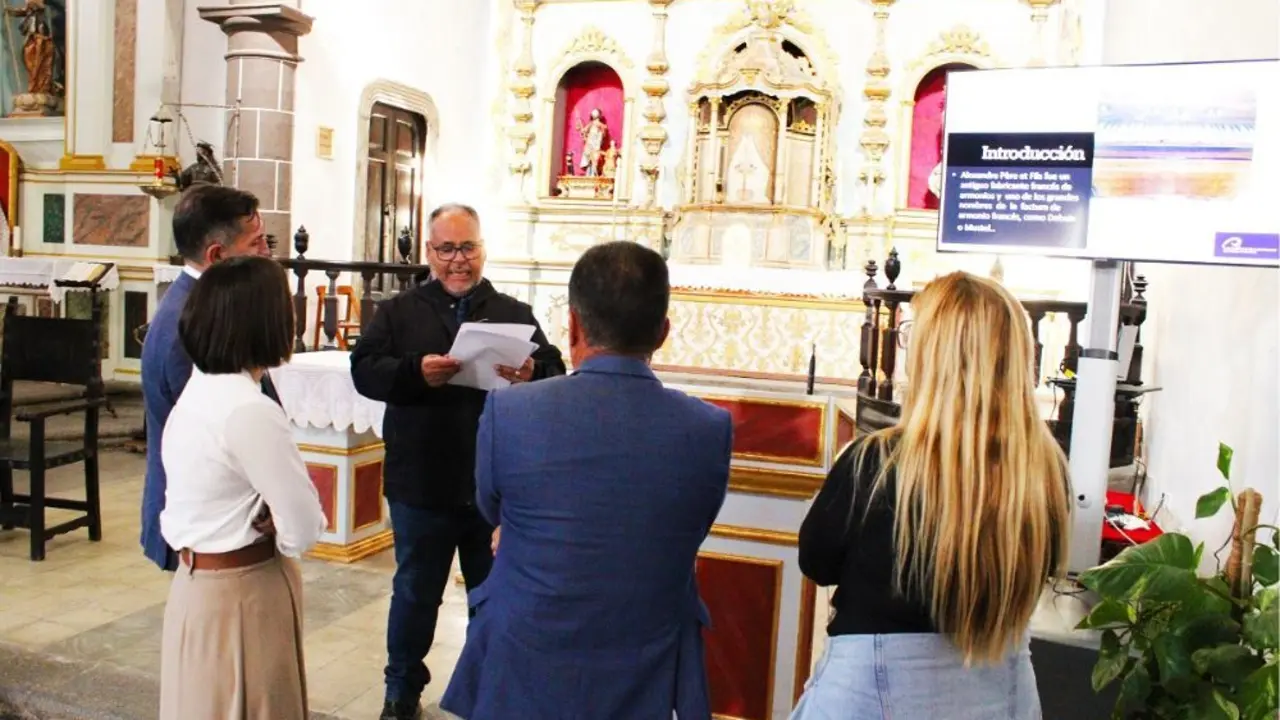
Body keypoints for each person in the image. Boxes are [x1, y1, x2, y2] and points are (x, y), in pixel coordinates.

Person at [441, 241, 733, 720]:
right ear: (663, 332)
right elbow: (691, 525)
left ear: (572, 324)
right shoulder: (707, 428)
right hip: (644, 656)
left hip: (526, 651)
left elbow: (494, 509)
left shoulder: (511, 411)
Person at [791, 272, 1071, 720]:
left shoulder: (876, 463)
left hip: (875, 690)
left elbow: (816, 561)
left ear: (932, 357)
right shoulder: (1044, 471)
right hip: (995, 686)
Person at [349, 203, 566, 720]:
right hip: (420, 479)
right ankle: (401, 690)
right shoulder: (397, 313)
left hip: (494, 486)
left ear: (483, 248)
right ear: (429, 253)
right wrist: (413, 373)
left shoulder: (513, 311)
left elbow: (556, 366)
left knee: (491, 599)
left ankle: (489, 690)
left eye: (467, 247)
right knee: (414, 593)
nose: (458, 261)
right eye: (446, 249)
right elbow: (364, 371)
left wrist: (533, 369)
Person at [158, 256, 328, 720]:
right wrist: (285, 523)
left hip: (195, 590)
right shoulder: (248, 410)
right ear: (264, 323)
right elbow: (303, 528)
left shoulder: (198, 390)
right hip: (243, 596)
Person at [140, 184, 274, 572]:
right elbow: (212, 436)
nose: (266, 252)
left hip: (216, 521)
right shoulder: (191, 323)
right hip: (206, 524)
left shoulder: (205, 304)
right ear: (217, 255)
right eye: (256, 242)